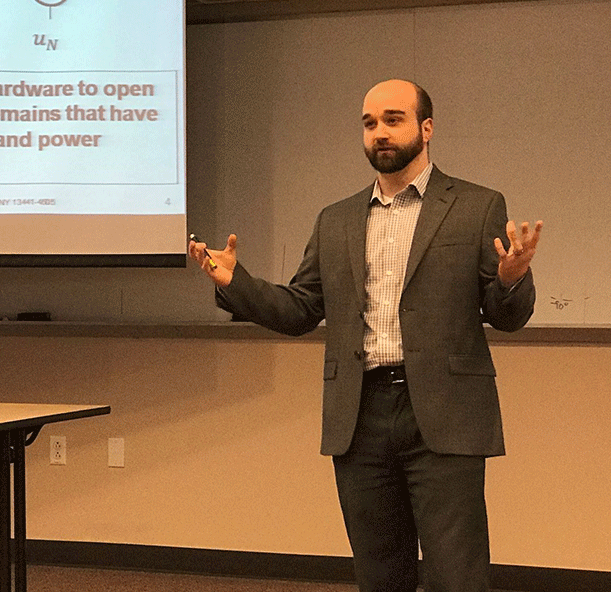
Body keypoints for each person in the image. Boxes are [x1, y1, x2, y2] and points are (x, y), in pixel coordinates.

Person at [189, 79, 543, 592]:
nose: (379, 132)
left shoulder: (475, 205)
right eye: (369, 123)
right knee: (379, 575)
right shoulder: (335, 220)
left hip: (444, 413)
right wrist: (235, 284)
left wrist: (511, 278)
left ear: (426, 129)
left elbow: (506, 315)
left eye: (393, 119)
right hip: (360, 415)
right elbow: (301, 310)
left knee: (457, 575)